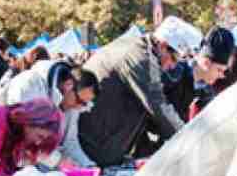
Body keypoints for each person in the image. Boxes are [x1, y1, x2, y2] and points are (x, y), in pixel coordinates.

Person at [77, 28, 186, 167]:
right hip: (95, 142)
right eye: (174, 58)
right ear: (163, 46)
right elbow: (158, 107)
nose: (172, 65)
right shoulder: (140, 58)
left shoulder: (138, 49)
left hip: (100, 138)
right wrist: (187, 136)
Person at [0, 58, 100, 166]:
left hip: (26, 166)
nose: (79, 107)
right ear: (68, 85)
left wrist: (88, 165)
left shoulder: (72, 103)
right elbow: (24, 136)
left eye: (84, 104)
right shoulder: (29, 83)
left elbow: (70, 142)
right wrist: (58, 161)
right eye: (79, 101)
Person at [161, 27, 235, 121]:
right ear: (206, 63)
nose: (221, 75)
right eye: (219, 70)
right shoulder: (173, 76)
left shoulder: (206, 92)